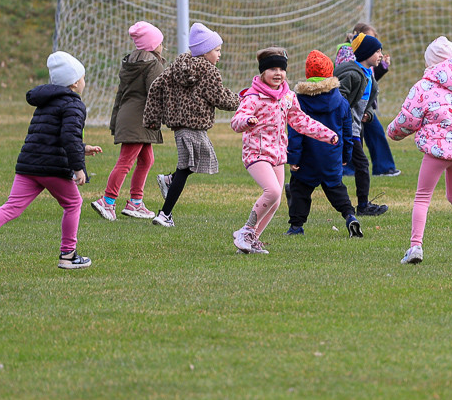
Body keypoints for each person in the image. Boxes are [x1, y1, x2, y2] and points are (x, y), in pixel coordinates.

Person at [0, 52, 102, 271]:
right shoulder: (74, 104)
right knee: (73, 203)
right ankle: (68, 255)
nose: (84, 82)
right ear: (74, 82)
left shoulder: (46, 102)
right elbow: (68, 137)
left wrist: (83, 148)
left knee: (12, 207)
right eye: (82, 77)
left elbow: (51, 137)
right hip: (51, 167)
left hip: (29, 164)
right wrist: (78, 167)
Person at [387, 36, 452, 265]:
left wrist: (392, 132)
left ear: (431, 62)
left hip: (436, 151)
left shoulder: (424, 87)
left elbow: (408, 118)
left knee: (423, 196)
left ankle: (415, 246)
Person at [229, 48, 340, 253]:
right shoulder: (254, 97)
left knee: (276, 200)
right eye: (272, 69)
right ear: (263, 72)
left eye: (281, 69)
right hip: (256, 153)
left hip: (278, 155)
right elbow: (236, 121)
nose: (278, 73)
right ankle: (245, 231)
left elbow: (302, 122)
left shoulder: (288, 97)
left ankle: (251, 240)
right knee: (271, 191)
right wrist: (247, 121)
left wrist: (327, 134)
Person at [143, 22, 240, 228]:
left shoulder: (174, 68)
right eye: (216, 50)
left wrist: (152, 118)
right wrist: (240, 100)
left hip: (180, 127)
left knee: (195, 162)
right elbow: (220, 98)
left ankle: (169, 181)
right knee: (188, 165)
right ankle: (164, 214)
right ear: (205, 52)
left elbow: (155, 88)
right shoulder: (209, 72)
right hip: (194, 126)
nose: (219, 54)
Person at [91, 21, 166, 222]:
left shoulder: (130, 62)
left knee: (146, 160)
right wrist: (169, 115)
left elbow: (120, 95)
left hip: (128, 116)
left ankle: (135, 202)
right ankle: (107, 200)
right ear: (152, 45)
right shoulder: (154, 64)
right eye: (160, 42)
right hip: (140, 119)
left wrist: (115, 120)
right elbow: (158, 93)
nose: (162, 46)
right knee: (126, 161)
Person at [285, 50, 363, 238]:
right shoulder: (342, 101)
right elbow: (346, 132)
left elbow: (295, 132)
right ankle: (350, 215)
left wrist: (293, 157)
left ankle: (296, 226)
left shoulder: (298, 101)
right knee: (336, 189)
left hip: (306, 158)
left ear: (307, 74)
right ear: (330, 73)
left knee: (299, 191)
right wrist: (346, 156)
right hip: (331, 155)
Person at [335, 23, 400, 177]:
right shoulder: (346, 52)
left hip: (365, 106)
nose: (378, 52)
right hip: (352, 106)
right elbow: (349, 79)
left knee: (374, 133)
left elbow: (368, 80)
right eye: (375, 48)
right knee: (350, 136)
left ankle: (384, 167)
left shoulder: (365, 60)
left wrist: (382, 67)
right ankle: (348, 169)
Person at [334, 32, 388, 216]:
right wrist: (345, 118)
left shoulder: (368, 75)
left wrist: (368, 116)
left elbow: (366, 104)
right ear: (367, 53)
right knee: (361, 164)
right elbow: (338, 97)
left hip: (357, 128)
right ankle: (363, 206)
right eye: (378, 51)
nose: (381, 55)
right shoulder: (352, 74)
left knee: (340, 164)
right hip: (346, 128)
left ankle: (296, 188)